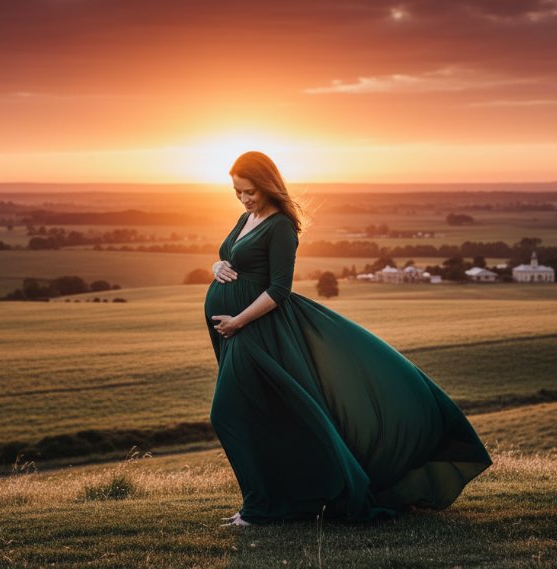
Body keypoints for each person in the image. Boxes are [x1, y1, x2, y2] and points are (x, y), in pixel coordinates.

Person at [205, 151, 491, 527]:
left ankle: (261, 507)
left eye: (249, 192)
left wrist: (239, 321)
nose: (243, 199)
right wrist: (218, 264)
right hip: (236, 332)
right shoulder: (248, 217)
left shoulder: (281, 227)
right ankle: (261, 506)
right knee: (264, 418)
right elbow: (232, 256)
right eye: (237, 192)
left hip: (258, 333)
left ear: (268, 185)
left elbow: (279, 289)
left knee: (227, 413)